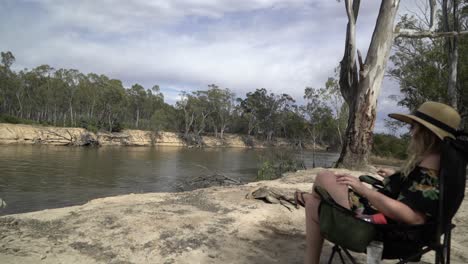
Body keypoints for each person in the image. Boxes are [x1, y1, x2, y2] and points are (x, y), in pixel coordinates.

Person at [294, 101, 461, 264]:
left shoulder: (432, 163)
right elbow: (417, 192)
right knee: (313, 204)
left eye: (413, 126)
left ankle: (307, 200)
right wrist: (397, 176)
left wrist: (364, 190)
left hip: (383, 229)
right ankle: (309, 202)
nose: (411, 132)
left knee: (324, 177)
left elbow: (414, 217)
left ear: (425, 133)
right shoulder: (442, 161)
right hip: (391, 224)